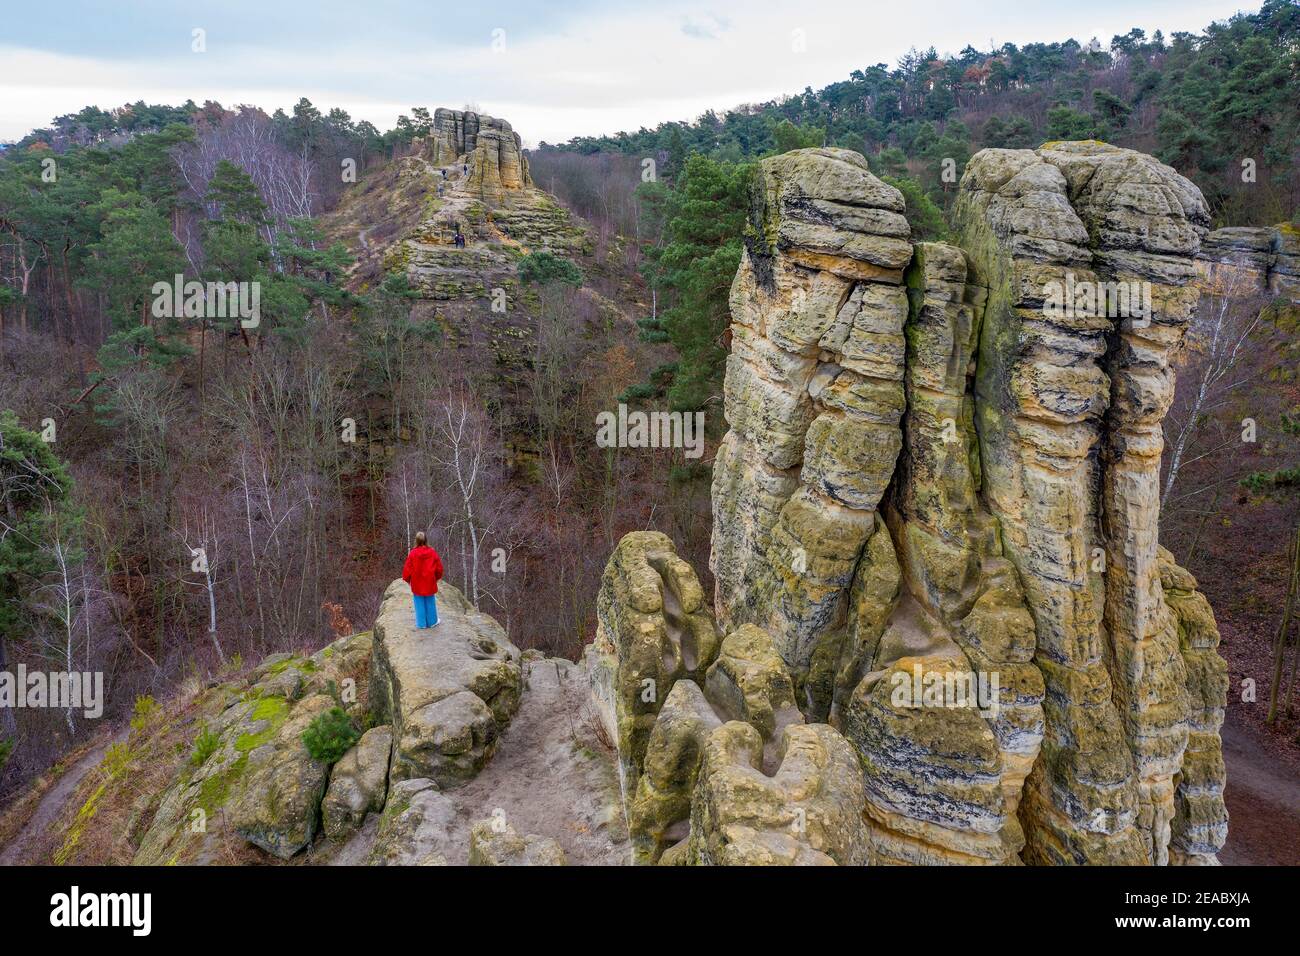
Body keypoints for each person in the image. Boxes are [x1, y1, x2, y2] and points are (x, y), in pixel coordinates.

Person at [402, 531, 444, 628]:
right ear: (426, 540)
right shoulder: (432, 552)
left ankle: (421, 624)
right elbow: (439, 569)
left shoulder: (412, 553)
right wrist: (436, 578)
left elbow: (407, 570)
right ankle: (432, 622)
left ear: (416, 541)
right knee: (430, 601)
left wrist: (408, 580)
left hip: (417, 583)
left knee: (419, 602)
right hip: (429, 582)